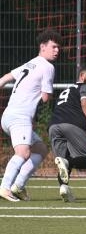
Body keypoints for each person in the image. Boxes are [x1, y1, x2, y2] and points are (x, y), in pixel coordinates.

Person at [0, 29, 63, 202]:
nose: (57, 50)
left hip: (9, 116)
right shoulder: (48, 67)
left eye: (58, 48)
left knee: (40, 149)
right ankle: (5, 188)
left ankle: (18, 186)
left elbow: (6, 77)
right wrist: (47, 93)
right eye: (54, 47)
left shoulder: (30, 63)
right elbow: (45, 97)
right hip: (20, 117)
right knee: (23, 152)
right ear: (43, 47)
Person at [48, 65, 86, 202]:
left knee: (64, 162)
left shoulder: (68, 89)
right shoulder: (85, 87)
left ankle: (64, 189)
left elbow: (71, 110)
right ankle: (66, 163)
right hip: (71, 125)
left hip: (53, 126)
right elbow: (84, 104)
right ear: (82, 76)